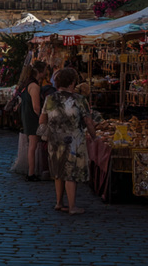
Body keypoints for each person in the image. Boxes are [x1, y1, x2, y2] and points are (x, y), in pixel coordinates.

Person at [38, 67, 96, 215]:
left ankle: (59, 202)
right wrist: (94, 137)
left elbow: (42, 119)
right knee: (71, 172)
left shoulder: (50, 98)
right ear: (72, 82)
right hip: (73, 141)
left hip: (55, 140)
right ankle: (72, 206)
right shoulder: (79, 100)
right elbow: (88, 122)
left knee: (58, 171)